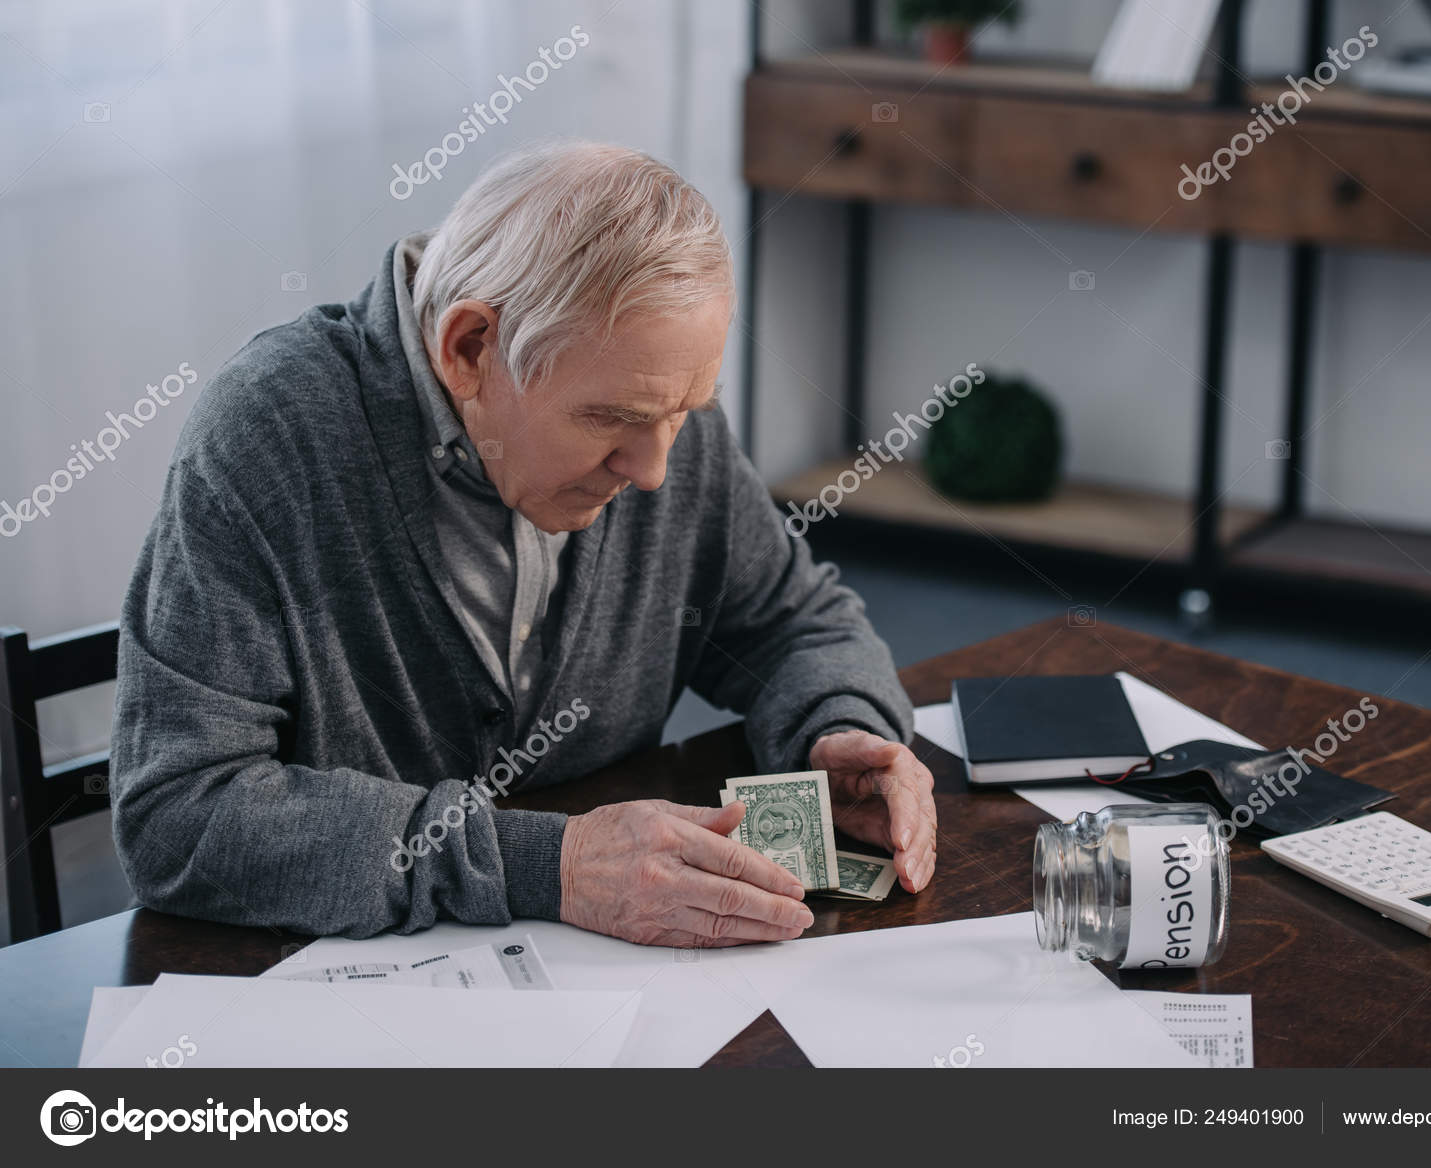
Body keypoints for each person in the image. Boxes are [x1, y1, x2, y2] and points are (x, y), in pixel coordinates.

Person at [110, 141, 937, 948]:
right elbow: (181, 816)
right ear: (469, 349)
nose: (653, 471)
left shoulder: (656, 407)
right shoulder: (267, 435)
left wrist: (835, 728)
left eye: (685, 409)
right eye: (608, 419)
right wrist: (552, 864)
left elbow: (795, 624)